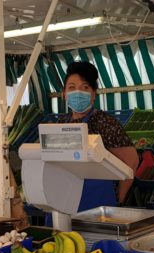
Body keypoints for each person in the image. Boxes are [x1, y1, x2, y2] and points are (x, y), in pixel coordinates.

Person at [59, 61, 138, 211]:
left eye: (85, 87)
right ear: (63, 94)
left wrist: (118, 200)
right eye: (71, 87)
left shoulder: (105, 123)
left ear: (93, 94)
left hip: (100, 205)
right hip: (66, 200)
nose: (78, 92)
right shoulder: (61, 123)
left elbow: (131, 161)